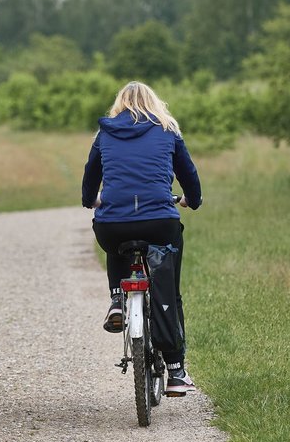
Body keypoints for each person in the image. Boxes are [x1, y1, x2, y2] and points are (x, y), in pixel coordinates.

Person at [81, 81, 202, 396]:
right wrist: (192, 200)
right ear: (154, 103)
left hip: (113, 226)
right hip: (160, 223)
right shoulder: (167, 130)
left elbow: (89, 180)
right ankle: (176, 371)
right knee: (169, 291)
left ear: (119, 104)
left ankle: (117, 300)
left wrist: (92, 200)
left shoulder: (104, 134)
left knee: (116, 240)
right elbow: (189, 174)